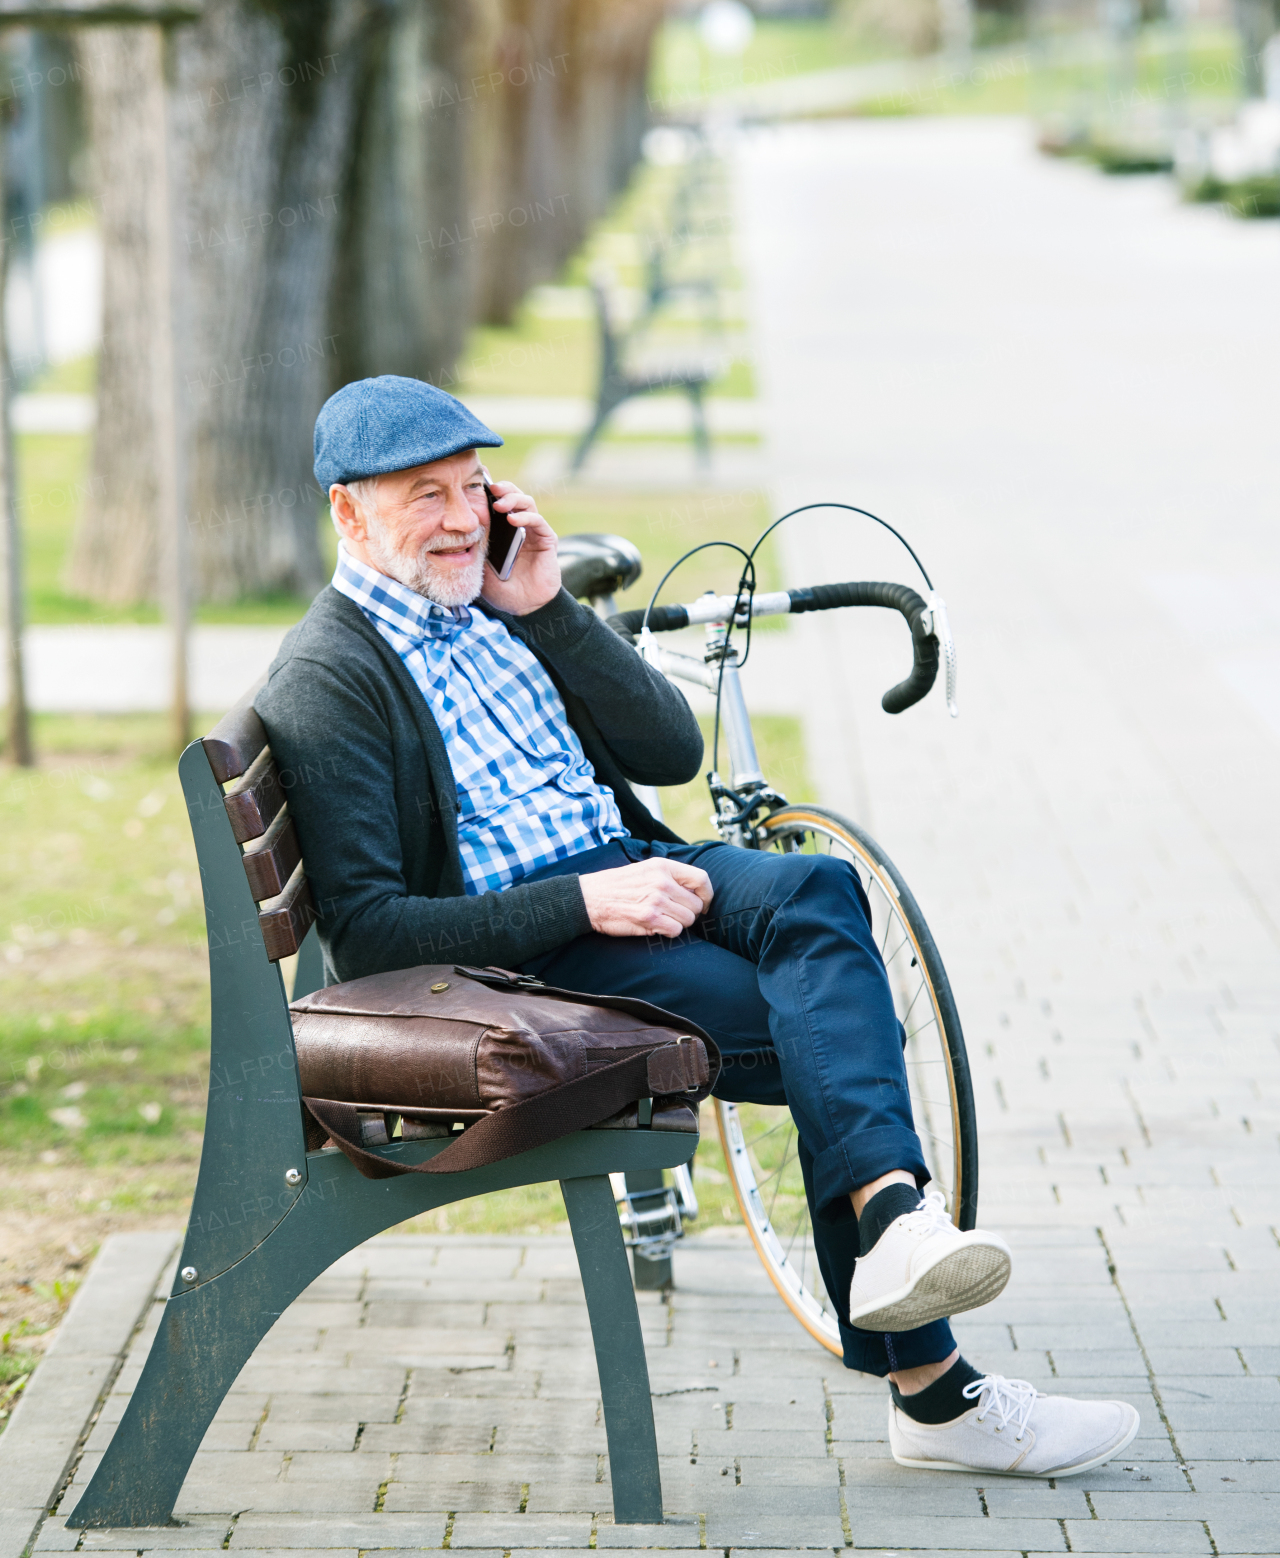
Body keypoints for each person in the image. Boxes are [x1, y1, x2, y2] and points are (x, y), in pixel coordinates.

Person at [257, 374, 1140, 1480]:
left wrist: (549, 610)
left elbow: (670, 754)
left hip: (633, 877)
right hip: (535, 955)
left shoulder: (490, 608)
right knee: (829, 1024)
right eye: (422, 495)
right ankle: (932, 1383)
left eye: (473, 488)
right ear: (349, 512)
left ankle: (895, 1233)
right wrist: (586, 903)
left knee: (818, 894)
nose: (458, 520)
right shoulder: (330, 676)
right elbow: (378, 933)